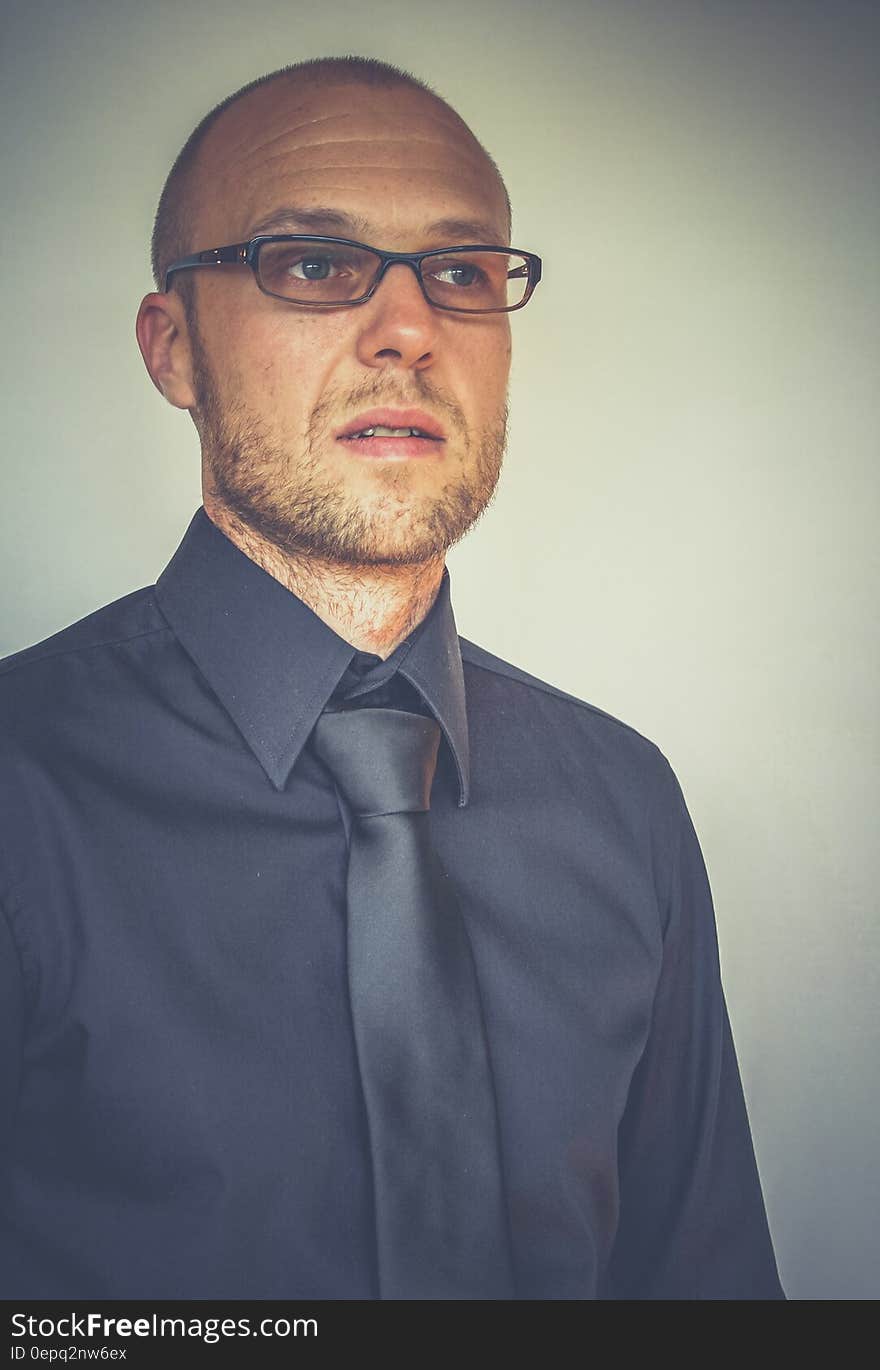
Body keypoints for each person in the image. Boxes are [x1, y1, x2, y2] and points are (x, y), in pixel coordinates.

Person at [0, 56, 784, 1300]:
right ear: (174, 349)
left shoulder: (624, 801)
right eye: (312, 263)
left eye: (461, 273)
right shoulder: (19, 790)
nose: (411, 327)